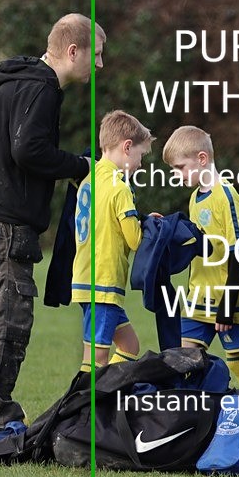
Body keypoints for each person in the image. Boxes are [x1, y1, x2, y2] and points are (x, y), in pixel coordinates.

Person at [0, 13, 102, 441]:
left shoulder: (17, 80)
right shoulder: (42, 87)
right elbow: (28, 149)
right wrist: (81, 166)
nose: (100, 65)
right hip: (0, 225)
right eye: (98, 55)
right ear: (74, 51)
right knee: (6, 325)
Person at [161, 125, 239, 390]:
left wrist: (227, 306)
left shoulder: (226, 196)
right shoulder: (195, 197)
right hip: (198, 298)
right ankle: (193, 426)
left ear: (202, 159)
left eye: (180, 167)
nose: (177, 175)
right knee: (181, 362)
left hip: (227, 300)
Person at [71, 111, 153, 371]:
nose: (140, 164)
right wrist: (148, 227)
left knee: (129, 345)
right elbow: (134, 239)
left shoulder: (89, 178)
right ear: (127, 147)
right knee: (96, 359)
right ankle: (84, 410)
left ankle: (110, 394)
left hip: (85, 277)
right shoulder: (120, 186)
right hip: (104, 283)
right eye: (140, 156)